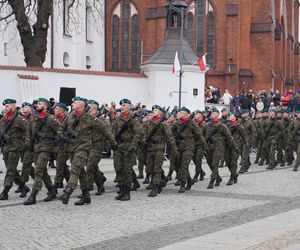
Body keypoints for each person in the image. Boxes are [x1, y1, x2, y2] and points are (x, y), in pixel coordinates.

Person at [23, 98, 59, 205]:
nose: (37, 105)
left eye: (39, 104)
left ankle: (33, 194)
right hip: (35, 148)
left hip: (46, 148)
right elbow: (28, 132)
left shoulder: (51, 119)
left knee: (38, 170)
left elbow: (60, 131)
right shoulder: (34, 118)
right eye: (37, 104)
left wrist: (53, 143)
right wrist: (28, 143)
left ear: (46, 106)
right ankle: (51, 190)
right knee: (42, 171)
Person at [142, 105, 177, 197]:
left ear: (161, 113)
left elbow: (169, 137)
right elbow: (145, 134)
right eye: (153, 110)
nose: (153, 111)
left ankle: (155, 188)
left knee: (156, 169)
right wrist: (143, 141)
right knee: (149, 169)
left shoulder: (164, 124)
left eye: (156, 110)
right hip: (150, 148)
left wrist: (174, 148)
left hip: (158, 148)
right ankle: (161, 181)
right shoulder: (149, 123)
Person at [0, 99, 30, 200]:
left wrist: (25, 144)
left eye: (7, 106)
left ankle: (5, 191)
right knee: (11, 170)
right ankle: (23, 186)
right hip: (6, 147)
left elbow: (29, 131)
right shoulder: (3, 119)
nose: (6, 108)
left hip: (16, 147)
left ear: (13, 106)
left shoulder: (19, 119)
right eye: (5, 106)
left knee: (10, 170)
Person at [112, 99, 140, 201]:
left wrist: (133, 147)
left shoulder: (132, 120)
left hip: (128, 148)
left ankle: (127, 192)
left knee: (127, 171)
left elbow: (138, 134)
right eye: (121, 105)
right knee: (119, 169)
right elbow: (112, 132)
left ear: (129, 107)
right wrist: (113, 143)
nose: (122, 107)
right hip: (118, 148)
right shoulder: (117, 120)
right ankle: (121, 190)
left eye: (124, 105)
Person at [204, 108, 238, 189]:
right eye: (211, 113)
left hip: (218, 147)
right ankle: (218, 178)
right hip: (209, 147)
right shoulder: (207, 125)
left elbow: (229, 137)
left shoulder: (222, 126)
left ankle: (212, 180)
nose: (212, 114)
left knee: (215, 164)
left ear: (218, 115)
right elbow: (201, 135)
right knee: (209, 163)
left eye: (214, 113)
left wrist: (235, 147)